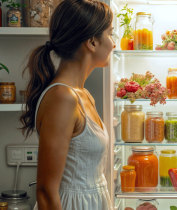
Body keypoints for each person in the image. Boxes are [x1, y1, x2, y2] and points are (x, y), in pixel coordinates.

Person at [19, 0, 116, 209]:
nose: (113, 44)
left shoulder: (83, 95)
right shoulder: (63, 97)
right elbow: (45, 191)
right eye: (110, 34)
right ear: (92, 42)